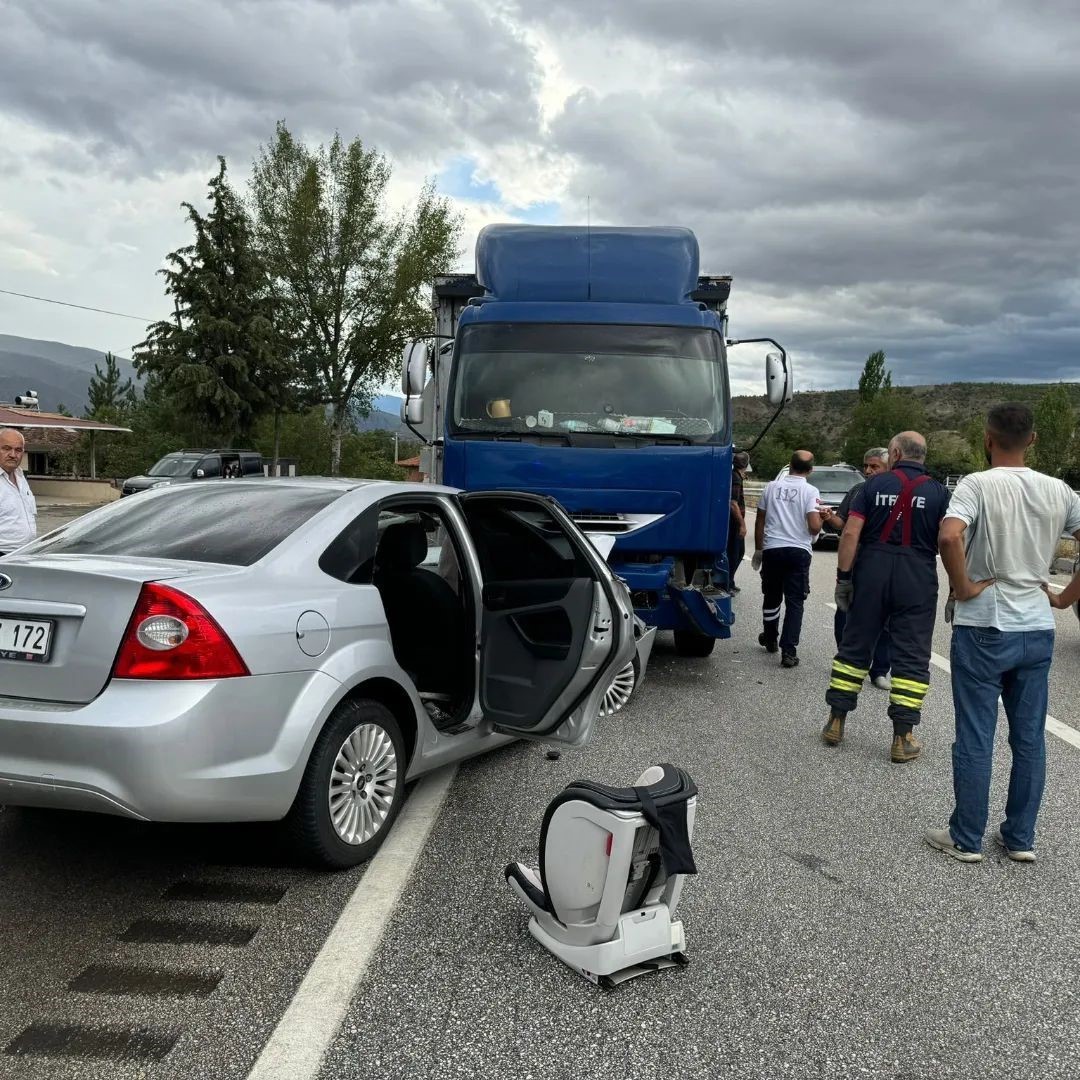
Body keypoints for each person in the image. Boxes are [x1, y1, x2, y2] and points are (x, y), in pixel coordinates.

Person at [925, 403, 1080, 863]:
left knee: (976, 734)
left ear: (988, 439)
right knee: (1029, 738)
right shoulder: (1060, 490)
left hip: (986, 624)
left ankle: (966, 837)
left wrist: (964, 585)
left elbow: (950, 536)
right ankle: (1019, 838)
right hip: (1036, 624)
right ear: (1032, 440)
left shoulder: (976, 484)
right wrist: (1067, 597)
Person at [822, 432, 950, 763]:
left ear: (894, 452)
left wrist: (844, 579)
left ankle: (836, 720)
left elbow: (850, 532)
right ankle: (902, 737)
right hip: (917, 576)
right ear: (923, 455)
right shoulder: (939, 493)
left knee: (855, 646)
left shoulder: (871, 487)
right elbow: (950, 539)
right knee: (911, 655)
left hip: (872, 571)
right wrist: (955, 591)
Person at [821, 447, 893, 688]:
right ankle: (846, 658)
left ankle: (880, 669)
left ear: (889, 467)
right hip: (856, 563)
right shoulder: (858, 490)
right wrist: (830, 518)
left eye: (875, 466)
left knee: (887, 617)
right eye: (866, 466)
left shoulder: (900, 493)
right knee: (846, 610)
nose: (868, 471)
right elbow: (842, 523)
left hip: (886, 565)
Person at [752, 450, 822, 668]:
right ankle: (789, 652)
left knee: (771, 596)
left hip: (773, 549)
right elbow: (813, 526)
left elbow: (760, 520)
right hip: (798, 551)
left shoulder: (771, 487)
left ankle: (770, 637)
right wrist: (822, 521)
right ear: (810, 470)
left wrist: (758, 549)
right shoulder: (811, 491)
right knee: (795, 602)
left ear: (789, 465)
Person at [0, 428, 36, 556]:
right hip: (4, 558)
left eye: (18, 450)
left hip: (26, 555)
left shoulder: (20, 477)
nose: (13, 455)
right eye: (6, 448)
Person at [727, 451, 749, 593]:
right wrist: (742, 524)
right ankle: (727, 583)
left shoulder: (736, 476)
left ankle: (730, 580)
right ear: (746, 464)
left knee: (738, 552)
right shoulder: (736, 478)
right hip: (734, 522)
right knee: (735, 553)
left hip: (734, 521)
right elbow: (733, 503)